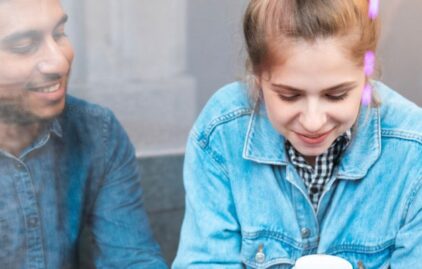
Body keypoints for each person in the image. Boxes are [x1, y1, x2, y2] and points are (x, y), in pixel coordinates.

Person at [173, 0, 422, 268]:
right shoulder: (221, 133)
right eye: (289, 96)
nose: (313, 122)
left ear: (366, 76)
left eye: (336, 95)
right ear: (257, 80)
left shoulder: (413, 151)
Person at [0, 0, 167, 268]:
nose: (59, 61)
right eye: (24, 46)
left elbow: (131, 258)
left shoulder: (97, 131)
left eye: (59, 34)